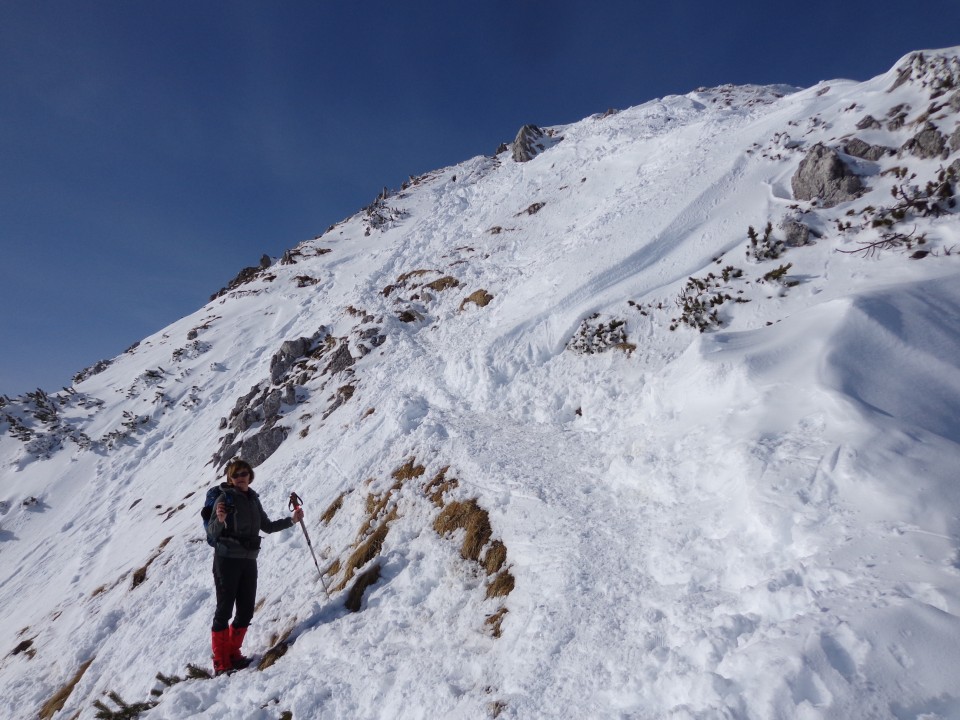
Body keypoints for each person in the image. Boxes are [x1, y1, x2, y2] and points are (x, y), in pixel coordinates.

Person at [205, 458, 304, 675]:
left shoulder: (253, 499)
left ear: (250, 475)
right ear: (230, 479)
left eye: (244, 474)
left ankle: (232, 653)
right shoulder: (224, 498)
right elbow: (211, 533)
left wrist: (292, 520)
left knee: (246, 609)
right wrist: (220, 519)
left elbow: (266, 526)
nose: (240, 478)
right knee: (224, 610)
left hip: (248, 560)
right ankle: (221, 663)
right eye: (236, 475)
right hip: (226, 560)